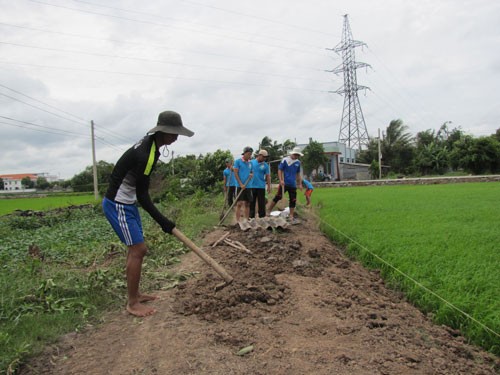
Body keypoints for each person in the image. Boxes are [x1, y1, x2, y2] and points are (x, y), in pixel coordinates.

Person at [102, 110, 194, 317]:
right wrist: (164, 222)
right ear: (163, 131)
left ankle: (136, 293)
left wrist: (164, 222)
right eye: (174, 132)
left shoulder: (151, 146)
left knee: (135, 250)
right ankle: (132, 303)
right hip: (118, 204)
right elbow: (143, 194)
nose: (177, 137)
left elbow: (140, 192)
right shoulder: (146, 154)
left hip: (128, 203)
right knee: (139, 250)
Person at [267, 146, 303, 223]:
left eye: (298, 155)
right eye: (296, 155)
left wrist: (299, 183)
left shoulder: (298, 163)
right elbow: (280, 170)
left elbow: (298, 174)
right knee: (278, 196)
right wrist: (281, 180)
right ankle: (268, 211)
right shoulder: (285, 160)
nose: (297, 156)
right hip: (284, 183)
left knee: (293, 200)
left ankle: (291, 216)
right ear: (293, 153)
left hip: (292, 184)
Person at [232, 146, 253, 222]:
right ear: (244, 153)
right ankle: (237, 221)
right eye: (248, 154)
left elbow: (251, 171)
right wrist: (240, 184)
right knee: (239, 203)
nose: (249, 155)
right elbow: (236, 173)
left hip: (248, 185)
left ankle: (246, 220)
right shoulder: (238, 162)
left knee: (247, 203)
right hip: (240, 186)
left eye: (250, 154)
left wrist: (251, 175)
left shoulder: (250, 163)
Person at [249, 149, 271, 218]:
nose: (265, 158)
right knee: (251, 202)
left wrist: (269, 187)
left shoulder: (265, 165)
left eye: (266, 157)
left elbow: (268, 176)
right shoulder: (251, 162)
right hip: (252, 186)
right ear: (259, 155)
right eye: (264, 157)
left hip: (261, 186)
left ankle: (262, 217)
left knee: (262, 203)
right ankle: (251, 217)